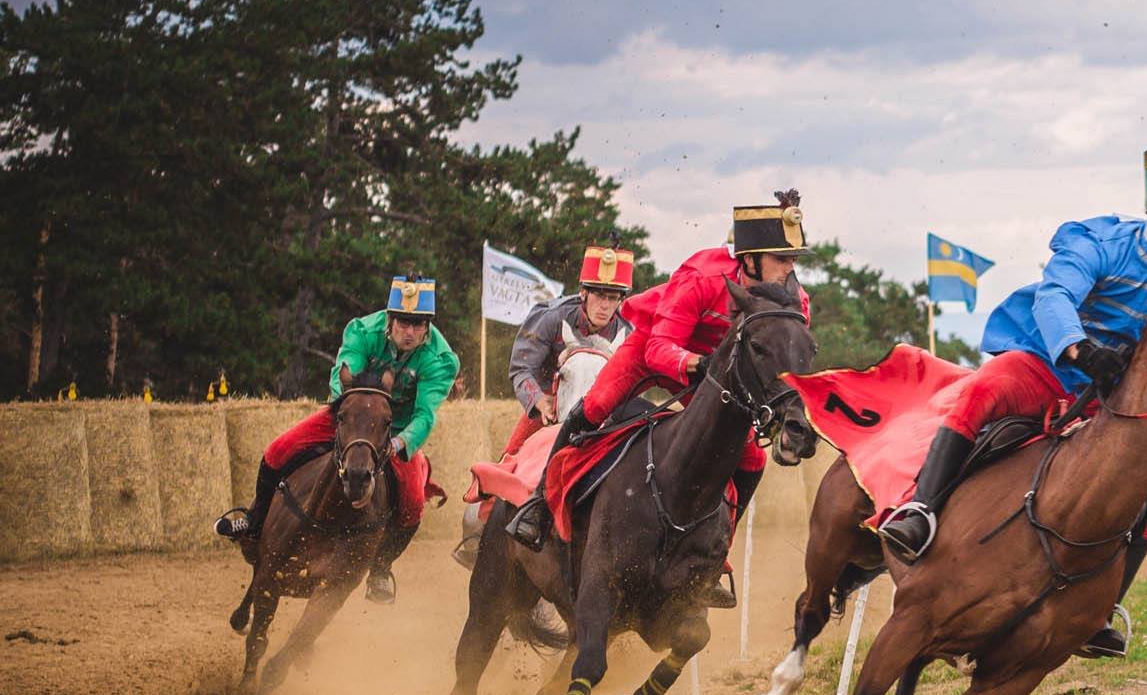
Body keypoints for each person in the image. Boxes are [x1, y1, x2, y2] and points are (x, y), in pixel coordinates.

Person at [874, 129, 1147, 659]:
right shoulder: (1098, 243)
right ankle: (920, 511)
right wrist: (1080, 349)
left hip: (1104, 398)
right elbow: (1055, 298)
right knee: (984, 392)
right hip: (1044, 363)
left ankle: (1100, 611)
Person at [503, 194, 813, 554]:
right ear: (750, 259)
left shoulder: (795, 301)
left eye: (793, 259)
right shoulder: (701, 276)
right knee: (593, 408)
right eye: (782, 258)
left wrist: (784, 419)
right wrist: (698, 364)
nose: (790, 268)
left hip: (710, 372)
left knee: (753, 458)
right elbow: (659, 348)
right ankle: (539, 504)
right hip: (654, 351)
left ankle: (717, 547)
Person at [214, 276, 457, 604]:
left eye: (418, 324)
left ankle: (381, 567)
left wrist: (398, 445)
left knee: (413, 500)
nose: (410, 331)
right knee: (277, 451)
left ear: (427, 325)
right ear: (390, 318)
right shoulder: (361, 331)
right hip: (351, 416)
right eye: (403, 322)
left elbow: (425, 415)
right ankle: (254, 522)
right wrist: (350, 423)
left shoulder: (441, 360)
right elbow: (341, 377)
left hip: (395, 429)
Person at [503, 243, 636, 456]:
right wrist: (540, 401)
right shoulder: (550, 318)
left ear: (621, 300)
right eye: (599, 296)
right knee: (508, 462)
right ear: (583, 292)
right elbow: (521, 368)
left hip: (603, 414)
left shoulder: (629, 335)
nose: (605, 305)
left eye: (612, 298)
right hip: (549, 404)